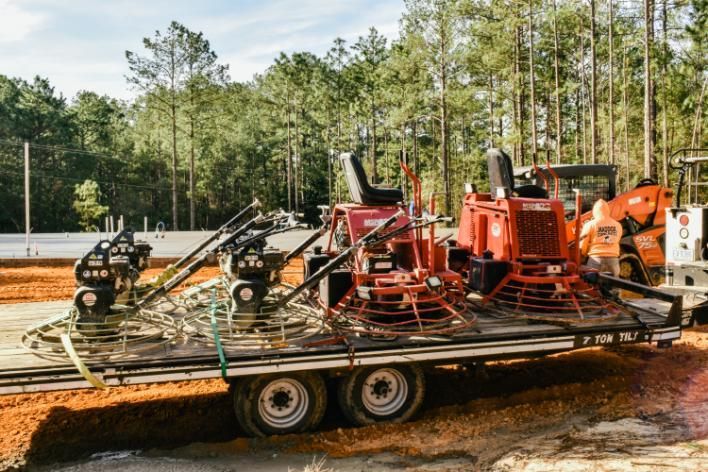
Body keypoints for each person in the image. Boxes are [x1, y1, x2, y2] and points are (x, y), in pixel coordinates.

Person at [580, 199, 622, 277]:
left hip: (595, 260)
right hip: (613, 260)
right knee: (614, 286)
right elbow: (618, 240)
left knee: (593, 286)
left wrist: (584, 254)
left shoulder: (590, 225)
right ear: (608, 210)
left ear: (594, 211)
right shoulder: (618, 225)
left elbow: (582, 244)